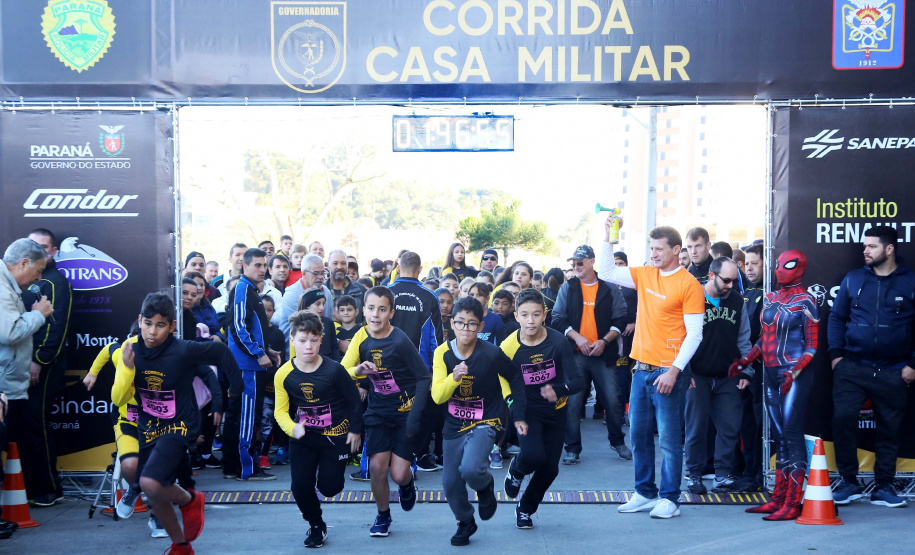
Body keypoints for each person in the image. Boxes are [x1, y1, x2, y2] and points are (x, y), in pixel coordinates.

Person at [112, 292, 242, 554]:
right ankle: (181, 546)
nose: (152, 332)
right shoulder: (130, 350)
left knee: (149, 482)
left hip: (180, 425)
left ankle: (191, 499)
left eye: (160, 325)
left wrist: (235, 387)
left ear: (172, 327)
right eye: (148, 323)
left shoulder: (183, 349)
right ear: (139, 321)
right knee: (156, 493)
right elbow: (118, 398)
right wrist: (127, 369)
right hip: (149, 427)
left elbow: (219, 350)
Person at [599, 219, 705, 519]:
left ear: (676, 249)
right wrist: (607, 238)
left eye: (659, 249)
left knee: (670, 441)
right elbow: (606, 272)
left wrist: (674, 370)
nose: (654, 253)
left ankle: (670, 498)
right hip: (641, 370)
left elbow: (695, 334)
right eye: (651, 248)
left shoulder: (689, 284)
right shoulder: (646, 274)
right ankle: (645, 492)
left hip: (667, 372)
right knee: (639, 436)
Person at [828, 226, 914, 508]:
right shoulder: (853, 279)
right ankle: (849, 483)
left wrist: (912, 364)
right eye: (865, 246)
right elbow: (837, 318)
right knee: (842, 420)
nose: (865, 250)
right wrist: (836, 356)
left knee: (890, 429)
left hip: (894, 369)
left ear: (889, 249)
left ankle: (885, 486)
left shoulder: (911, 281)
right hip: (852, 366)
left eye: (872, 246)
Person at [432, 297, 527, 546]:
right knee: (450, 483)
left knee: (472, 469)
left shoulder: (491, 353)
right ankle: (465, 521)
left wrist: (518, 413)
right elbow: (438, 396)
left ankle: (484, 486)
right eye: (461, 323)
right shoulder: (442, 353)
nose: (466, 329)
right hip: (454, 423)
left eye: (472, 324)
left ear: (480, 327)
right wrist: (453, 378)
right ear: (452, 324)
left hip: (487, 418)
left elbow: (515, 376)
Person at [735, 249, 818, 520]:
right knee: (779, 439)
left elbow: (812, 346)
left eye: (788, 265)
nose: (780, 269)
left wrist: (795, 372)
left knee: (792, 437)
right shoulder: (769, 299)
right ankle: (779, 499)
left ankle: (792, 504)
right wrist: (746, 359)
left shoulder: (807, 301)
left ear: (800, 268)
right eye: (778, 264)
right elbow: (763, 339)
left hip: (792, 375)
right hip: (771, 374)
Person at [341, 287, 431, 537]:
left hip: (405, 413)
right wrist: (358, 371)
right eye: (371, 308)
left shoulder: (400, 340)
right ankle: (383, 515)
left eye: (382, 309)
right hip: (378, 412)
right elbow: (341, 371)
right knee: (377, 468)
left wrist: (414, 416)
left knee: (398, 473)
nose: (376, 314)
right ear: (363, 312)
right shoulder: (360, 337)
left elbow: (424, 378)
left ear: (391, 313)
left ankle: (407, 483)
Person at [275, 311, 363, 548]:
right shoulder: (283, 374)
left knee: (329, 488)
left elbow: (354, 400)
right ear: (292, 340)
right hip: (304, 436)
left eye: (313, 340)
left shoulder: (334, 370)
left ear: (321, 340)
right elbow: (280, 412)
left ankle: (333, 474)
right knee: (300, 485)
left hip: (336, 436)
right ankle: (316, 524)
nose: (308, 346)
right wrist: (292, 428)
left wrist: (355, 430)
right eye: (302, 340)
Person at [501, 289, 582, 529]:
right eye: (524, 315)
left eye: (536, 314)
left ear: (544, 315)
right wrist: (511, 402)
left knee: (550, 469)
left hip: (556, 412)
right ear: (516, 316)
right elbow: (502, 378)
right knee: (533, 455)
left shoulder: (557, 341)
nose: (530, 320)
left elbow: (577, 380)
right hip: (527, 410)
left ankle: (525, 509)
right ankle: (516, 469)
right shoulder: (509, 346)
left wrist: (560, 389)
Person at [552, 245, 630, 464]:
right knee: (573, 403)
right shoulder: (569, 287)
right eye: (574, 263)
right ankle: (572, 448)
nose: (576, 267)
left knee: (613, 400)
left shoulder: (609, 288)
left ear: (591, 262)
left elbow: (620, 319)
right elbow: (557, 318)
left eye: (580, 262)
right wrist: (577, 337)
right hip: (575, 354)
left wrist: (604, 341)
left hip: (603, 354)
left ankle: (618, 442)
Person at [684, 257, 752, 495]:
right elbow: (679, 335)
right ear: (711, 275)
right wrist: (684, 370)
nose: (731, 285)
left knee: (729, 427)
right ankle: (694, 474)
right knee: (696, 426)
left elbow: (743, 338)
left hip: (728, 374)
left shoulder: (736, 301)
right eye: (726, 280)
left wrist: (746, 369)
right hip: (697, 374)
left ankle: (722, 475)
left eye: (735, 280)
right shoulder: (693, 296)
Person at [19, 229, 71, 507]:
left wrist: (39, 361)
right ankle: (30, 487)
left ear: (53, 252)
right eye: (31, 245)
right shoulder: (23, 280)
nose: (36, 250)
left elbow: (56, 329)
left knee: (37, 424)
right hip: (21, 364)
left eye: (42, 246)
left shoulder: (55, 282)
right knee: (26, 425)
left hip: (44, 366)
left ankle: (47, 489)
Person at [1, 239, 53, 502]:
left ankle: (19, 502)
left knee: (17, 443)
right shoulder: (1, 287)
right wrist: (38, 315)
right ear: (23, 263)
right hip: (4, 386)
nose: (39, 278)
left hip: (11, 383)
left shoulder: (9, 286)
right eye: (38, 271)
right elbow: (9, 332)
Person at [223, 248, 280, 482]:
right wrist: (258, 353)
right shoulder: (242, 289)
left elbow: (250, 328)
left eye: (264, 264)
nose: (262, 269)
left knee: (241, 416)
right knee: (246, 418)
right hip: (246, 365)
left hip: (249, 363)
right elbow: (238, 327)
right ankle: (246, 469)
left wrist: (266, 350)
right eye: (257, 265)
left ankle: (233, 467)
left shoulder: (250, 290)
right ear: (244, 266)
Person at [388, 252, 444, 472]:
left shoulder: (387, 293)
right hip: (419, 369)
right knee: (416, 412)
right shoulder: (430, 296)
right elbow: (437, 340)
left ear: (398, 268)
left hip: (386, 363)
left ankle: (393, 457)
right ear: (420, 270)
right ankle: (416, 458)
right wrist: (437, 373)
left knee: (388, 410)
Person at [734, 244, 766, 492]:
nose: (749, 267)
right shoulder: (747, 293)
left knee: (757, 423)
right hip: (745, 369)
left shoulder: (771, 294)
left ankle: (757, 474)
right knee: (745, 422)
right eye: (748, 262)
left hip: (764, 370)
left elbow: (762, 336)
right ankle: (746, 470)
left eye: (755, 262)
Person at [281, 254, 335, 336]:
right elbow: (301, 328)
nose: (320, 277)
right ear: (303, 274)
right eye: (315, 273)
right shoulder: (292, 295)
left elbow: (328, 322)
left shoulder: (326, 291)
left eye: (322, 273)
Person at [327, 249, 368, 319]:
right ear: (328, 266)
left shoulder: (361, 291)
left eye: (343, 263)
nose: (339, 267)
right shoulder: (321, 291)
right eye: (335, 263)